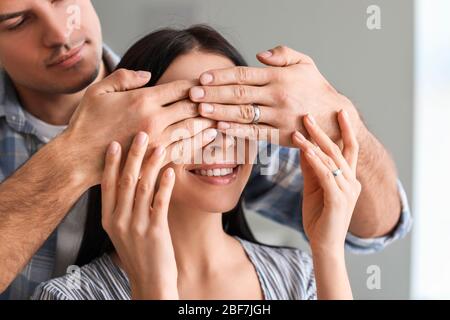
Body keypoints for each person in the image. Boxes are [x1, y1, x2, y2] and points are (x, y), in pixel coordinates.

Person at [0, 1, 411, 300]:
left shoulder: (297, 273)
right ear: (124, 150)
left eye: (228, 112)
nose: (60, 32)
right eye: (187, 119)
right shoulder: (72, 294)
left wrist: (339, 117)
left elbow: (380, 223)